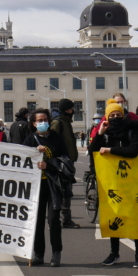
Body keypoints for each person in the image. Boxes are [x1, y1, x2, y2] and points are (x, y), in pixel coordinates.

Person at [89, 99, 138, 267]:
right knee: (113, 216)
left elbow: (133, 151)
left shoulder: (132, 131)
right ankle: (114, 253)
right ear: (107, 117)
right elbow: (93, 153)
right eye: (112, 115)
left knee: (135, 217)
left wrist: (110, 150)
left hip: (133, 182)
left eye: (118, 115)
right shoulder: (105, 134)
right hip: (113, 183)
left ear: (123, 116)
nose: (115, 117)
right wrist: (100, 134)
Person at [21, 108, 71, 266]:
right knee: (37, 221)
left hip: (53, 185)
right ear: (34, 123)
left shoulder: (57, 138)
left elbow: (65, 160)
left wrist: (48, 164)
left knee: (54, 219)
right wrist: (34, 153)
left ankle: (56, 253)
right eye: (39, 120)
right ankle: (39, 254)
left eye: (45, 120)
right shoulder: (30, 139)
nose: (43, 123)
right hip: (36, 187)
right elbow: (21, 160)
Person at [49, 98, 80, 229]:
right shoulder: (58, 123)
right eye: (71, 108)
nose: (73, 110)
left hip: (68, 162)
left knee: (66, 191)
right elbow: (52, 141)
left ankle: (64, 218)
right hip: (61, 162)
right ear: (67, 109)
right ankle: (60, 219)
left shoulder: (66, 122)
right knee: (62, 191)